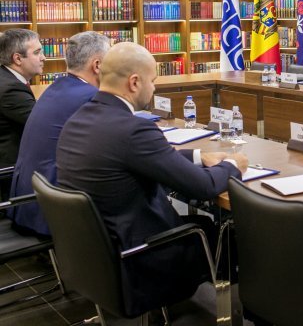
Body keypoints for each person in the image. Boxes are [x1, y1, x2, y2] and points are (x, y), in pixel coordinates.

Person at [56, 42, 248, 315]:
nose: (154, 88)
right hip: (141, 257)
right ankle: (250, 312)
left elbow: (140, 157)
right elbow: (204, 187)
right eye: (153, 81)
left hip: (98, 255)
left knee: (201, 223)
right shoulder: (134, 130)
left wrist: (198, 157)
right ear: (134, 82)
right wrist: (232, 164)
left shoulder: (80, 118)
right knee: (228, 234)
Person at [9, 32, 111, 236]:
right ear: (97, 65)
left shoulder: (57, 87)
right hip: (52, 209)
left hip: (27, 201)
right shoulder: (90, 96)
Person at [0, 29, 44, 171]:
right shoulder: (11, 89)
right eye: (37, 53)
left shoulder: (6, 76)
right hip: (12, 169)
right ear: (17, 59)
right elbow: (42, 123)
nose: (44, 58)